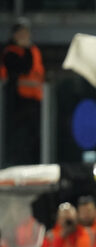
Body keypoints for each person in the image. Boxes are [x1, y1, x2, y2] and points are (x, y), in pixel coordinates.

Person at [0, 18, 44, 166]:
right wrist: (26, 50)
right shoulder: (11, 52)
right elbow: (23, 68)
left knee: (33, 138)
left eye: (25, 32)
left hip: (35, 100)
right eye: (20, 33)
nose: (24, 36)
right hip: (17, 101)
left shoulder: (34, 50)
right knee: (18, 139)